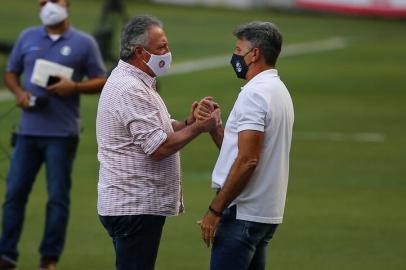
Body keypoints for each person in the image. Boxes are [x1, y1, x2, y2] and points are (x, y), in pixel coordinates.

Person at [96, 15, 220, 270]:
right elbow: (158, 148)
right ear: (140, 52)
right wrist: (201, 127)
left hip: (131, 204)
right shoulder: (131, 88)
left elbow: (155, 130)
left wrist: (188, 122)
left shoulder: (134, 82)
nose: (167, 52)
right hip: (134, 206)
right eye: (161, 47)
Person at [0, 0, 107, 269]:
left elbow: (102, 79)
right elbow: (11, 72)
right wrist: (20, 94)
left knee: (58, 198)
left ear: (66, 5)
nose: (48, 6)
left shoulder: (84, 43)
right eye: (43, 1)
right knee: (14, 194)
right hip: (27, 132)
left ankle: (49, 258)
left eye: (54, 1)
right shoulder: (27, 37)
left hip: (61, 134)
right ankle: (6, 254)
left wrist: (76, 87)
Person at [197, 21, 294, 270]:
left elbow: (248, 159)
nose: (235, 56)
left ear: (255, 54)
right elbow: (242, 153)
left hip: (241, 213)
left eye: (238, 50)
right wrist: (215, 127)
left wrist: (214, 210)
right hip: (264, 213)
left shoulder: (254, 93)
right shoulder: (279, 91)